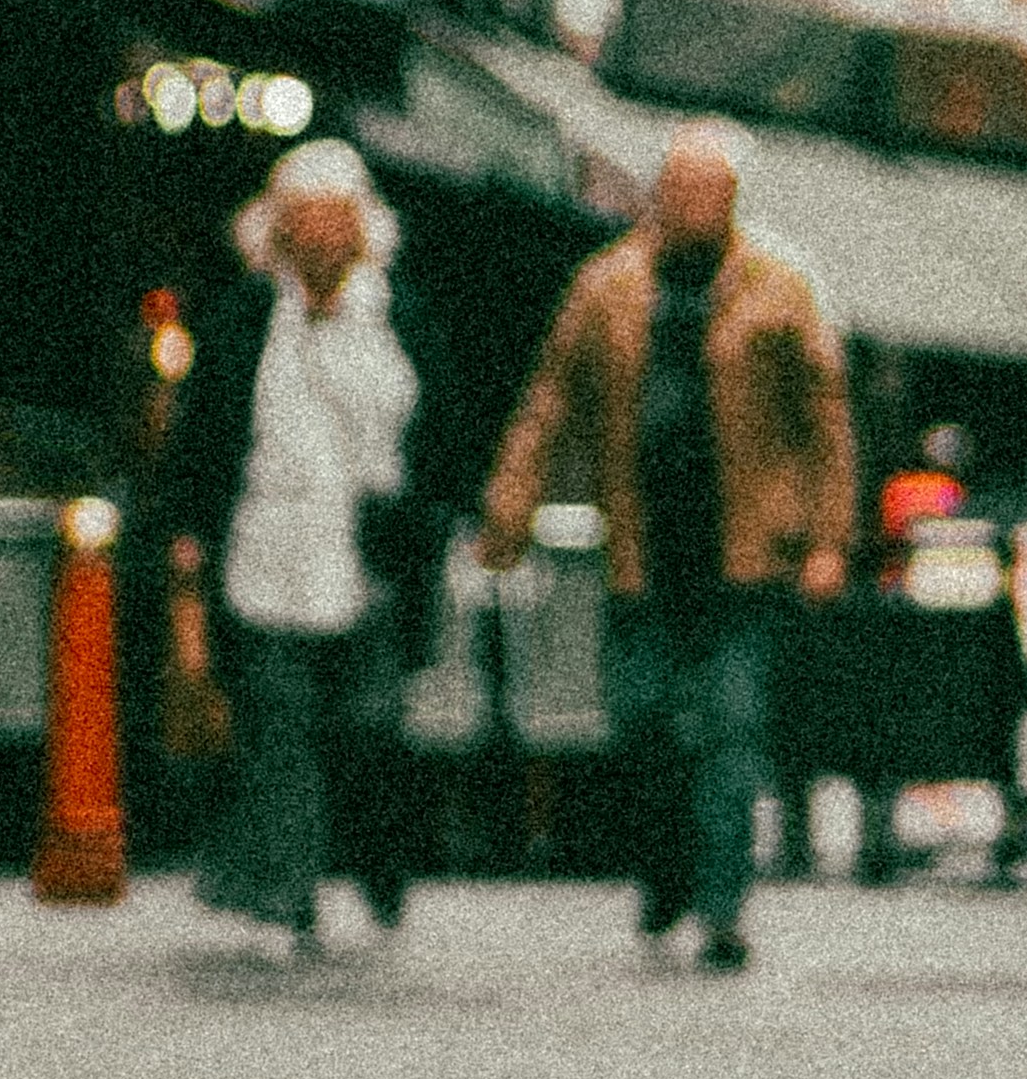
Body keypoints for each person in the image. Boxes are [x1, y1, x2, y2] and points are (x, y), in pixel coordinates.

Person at [479, 127, 853, 973]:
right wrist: (509, 501)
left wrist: (828, 536)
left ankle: (722, 906)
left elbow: (824, 419)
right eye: (675, 187)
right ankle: (664, 872)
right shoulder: (605, 286)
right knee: (643, 722)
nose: (687, 203)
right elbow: (550, 397)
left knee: (730, 728)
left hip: (743, 552)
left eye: (704, 189)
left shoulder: (778, 288)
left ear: (729, 199)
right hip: (642, 551)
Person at [170, 139, 443, 948]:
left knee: (368, 724)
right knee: (276, 722)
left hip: (369, 553)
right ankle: (286, 888)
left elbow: (432, 436)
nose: (320, 241)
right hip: (266, 549)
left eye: (334, 223)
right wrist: (189, 537)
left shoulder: (403, 319)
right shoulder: (240, 321)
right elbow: (202, 439)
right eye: (304, 224)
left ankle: (376, 860)